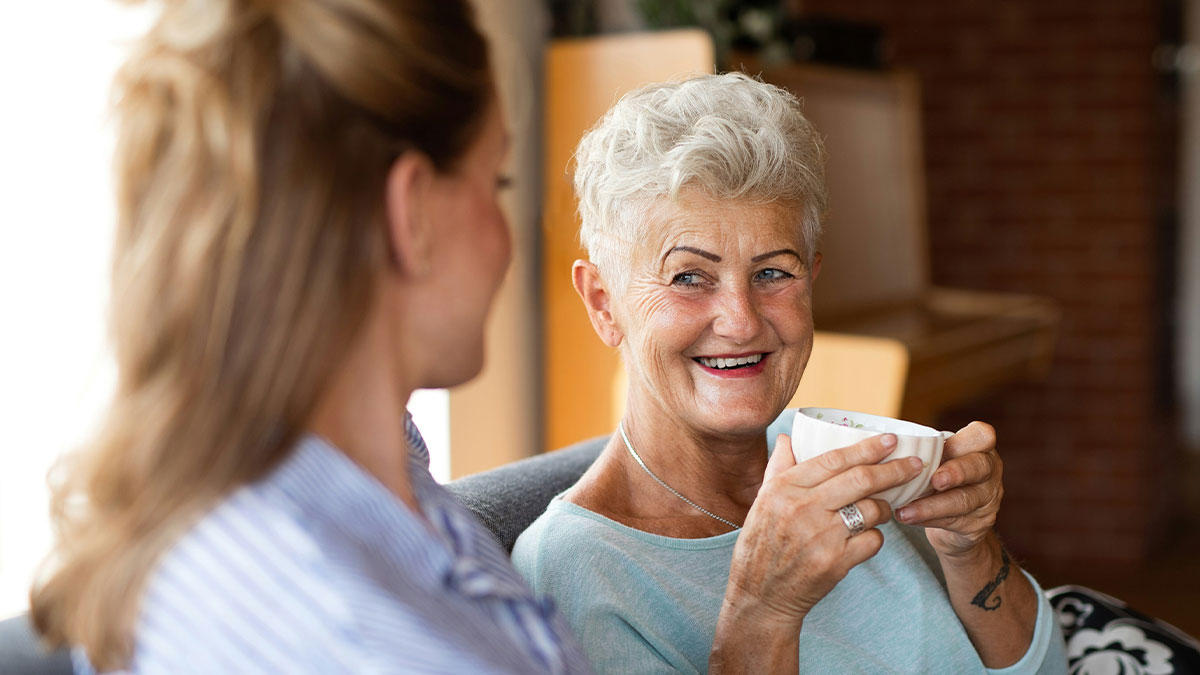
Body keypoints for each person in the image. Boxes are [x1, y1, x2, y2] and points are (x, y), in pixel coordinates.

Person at [30, 1, 590, 673]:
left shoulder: (319, 469)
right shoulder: (365, 640)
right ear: (410, 213)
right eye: (495, 181)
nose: (509, 242)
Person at [512, 72, 1068, 674]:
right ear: (602, 303)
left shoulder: (845, 466)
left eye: (774, 272)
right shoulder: (571, 572)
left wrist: (970, 550)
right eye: (689, 277)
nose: (742, 322)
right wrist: (763, 610)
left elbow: (1050, 667)